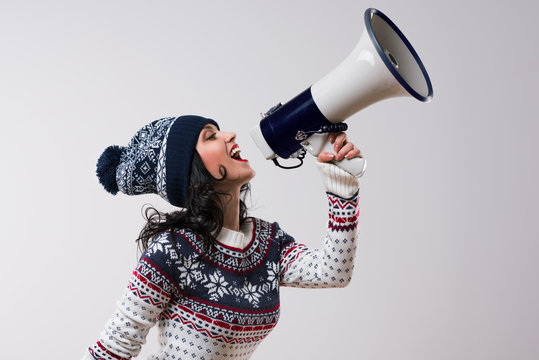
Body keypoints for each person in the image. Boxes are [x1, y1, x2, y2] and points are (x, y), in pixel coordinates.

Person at [84, 115, 363, 360]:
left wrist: (342, 188)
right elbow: (112, 349)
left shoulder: (268, 242)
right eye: (211, 136)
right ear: (189, 168)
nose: (230, 135)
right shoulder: (172, 251)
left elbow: (333, 271)